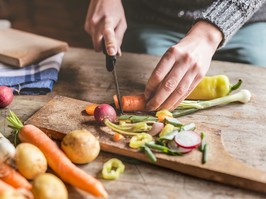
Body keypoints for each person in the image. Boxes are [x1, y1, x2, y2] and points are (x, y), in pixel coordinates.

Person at [84, 0, 266, 111]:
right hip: (153, 17)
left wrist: (208, 34)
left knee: (257, 74)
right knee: (155, 85)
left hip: (243, 20)